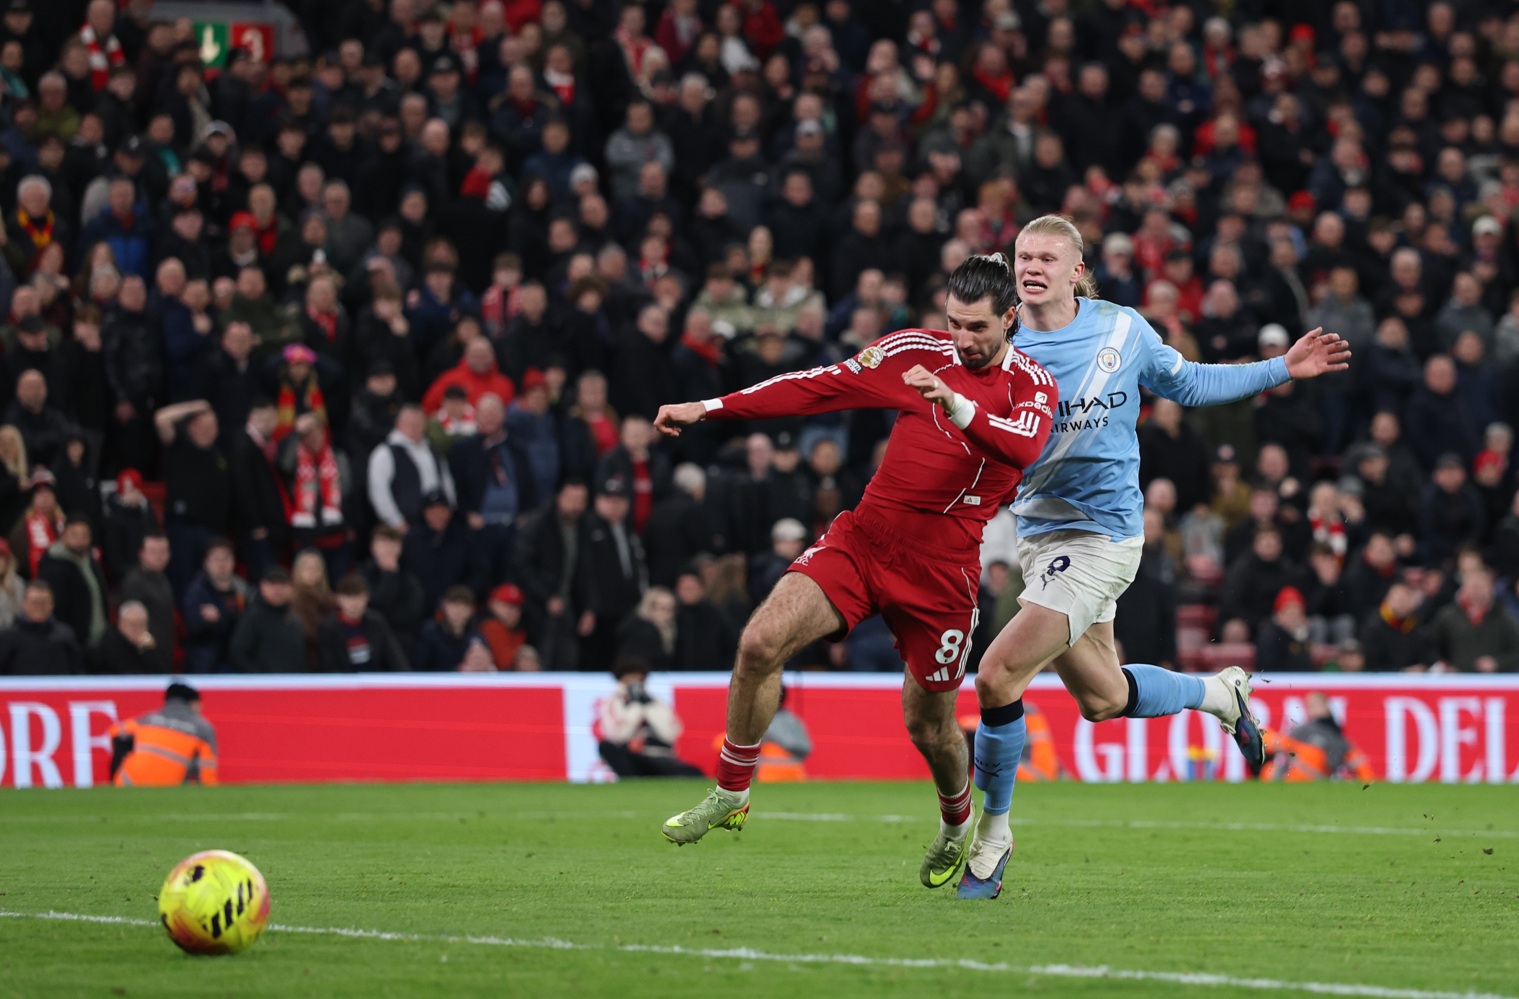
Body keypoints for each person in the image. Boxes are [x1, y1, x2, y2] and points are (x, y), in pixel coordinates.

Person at [962, 214, 1351, 898]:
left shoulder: (1122, 330)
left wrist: (1282, 369)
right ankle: (1219, 692)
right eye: (1023, 255)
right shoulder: (998, 337)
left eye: (1047, 256)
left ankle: (992, 834)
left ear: (1076, 269)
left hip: (1105, 538)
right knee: (1103, 698)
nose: (1032, 266)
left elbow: (1192, 385)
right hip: (1039, 538)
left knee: (995, 678)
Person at [653, 253, 1055, 897]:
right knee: (760, 642)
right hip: (865, 542)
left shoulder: (1033, 385)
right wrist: (710, 407)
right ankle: (732, 790)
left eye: (977, 327)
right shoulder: (913, 352)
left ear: (1011, 318)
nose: (962, 339)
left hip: (943, 574)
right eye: (953, 322)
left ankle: (957, 826)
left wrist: (956, 405)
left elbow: (1022, 446)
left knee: (928, 725)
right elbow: (816, 386)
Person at [595, 656, 705, 778]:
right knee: (605, 747)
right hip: (632, 756)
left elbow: (670, 734)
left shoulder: (656, 703)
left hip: (659, 757)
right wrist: (636, 707)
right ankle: (634, 779)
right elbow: (618, 736)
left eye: (639, 679)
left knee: (694, 773)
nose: (635, 683)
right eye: (630, 679)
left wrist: (648, 707)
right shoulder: (613, 702)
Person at [107, 681, 219, 786]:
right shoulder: (202, 728)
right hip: (166, 791)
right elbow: (207, 775)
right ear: (193, 703)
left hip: (126, 785)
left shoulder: (148, 720)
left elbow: (115, 732)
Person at [319, 573, 410, 671]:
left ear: (366, 597)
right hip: (343, 683)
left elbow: (394, 656)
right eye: (348, 597)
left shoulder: (376, 622)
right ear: (338, 600)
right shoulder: (329, 628)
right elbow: (330, 665)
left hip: (374, 681)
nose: (354, 604)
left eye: (358, 597)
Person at [0, 580, 83, 674]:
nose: (39, 607)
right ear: (24, 604)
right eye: (34, 602)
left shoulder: (65, 636)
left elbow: (78, 673)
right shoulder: (7, 638)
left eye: (44, 602)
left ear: (52, 605)